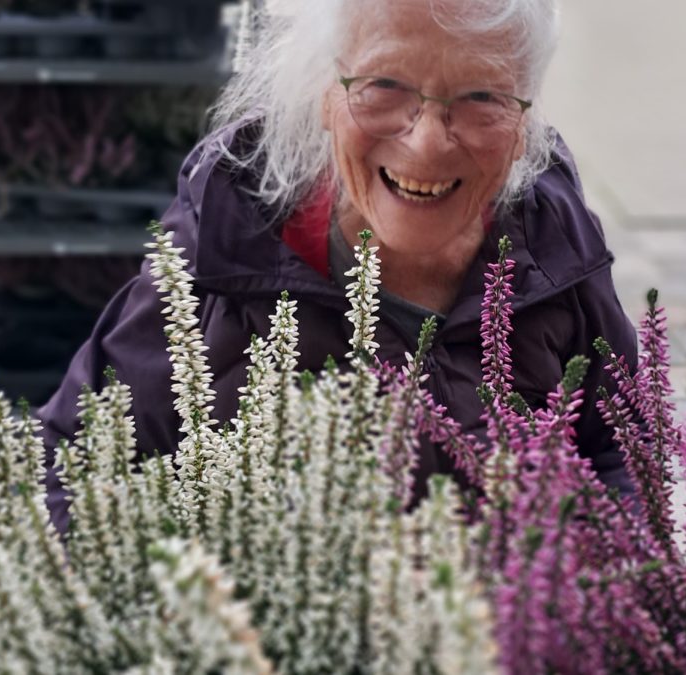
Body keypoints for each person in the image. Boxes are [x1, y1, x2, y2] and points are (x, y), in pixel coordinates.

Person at [38, 0, 639, 532]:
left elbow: (625, 460)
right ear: (324, 94)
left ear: (523, 123)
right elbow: (69, 465)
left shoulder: (555, 245)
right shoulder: (221, 256)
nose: (427, 142)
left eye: (482, 97)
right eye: (384, 85)